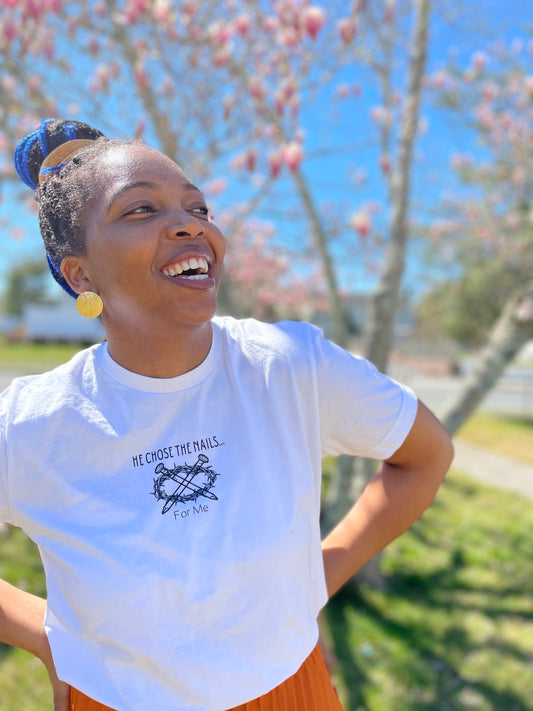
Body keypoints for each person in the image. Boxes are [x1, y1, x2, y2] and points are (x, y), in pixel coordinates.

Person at [0, 118, 453, 711]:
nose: (191, 223)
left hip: (293, 694)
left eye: (199, 207)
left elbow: (426, 454)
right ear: (80, 274)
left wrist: (317, 579)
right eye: (140, 210)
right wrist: (45, 637)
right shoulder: (30, 424)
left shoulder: (291, 364)